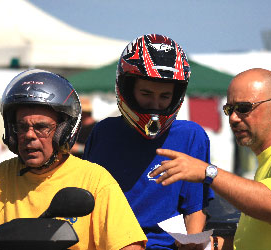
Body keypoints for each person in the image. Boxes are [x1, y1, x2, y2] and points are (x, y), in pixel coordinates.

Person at [150, 68, 271, 250]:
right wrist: (210, 245)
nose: (233, 118)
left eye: (243, 108)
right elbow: (263, 239)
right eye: (229, 109)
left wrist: (207, 172)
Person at [0, 69, 147, 250]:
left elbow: (130, 247)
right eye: (21, 127)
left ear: (64, 131)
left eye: (41, 127)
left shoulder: (95, 182)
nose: (29, 135)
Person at [83, 34, 214, 250]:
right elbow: (89, 204)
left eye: (164, 96)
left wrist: (193, 244)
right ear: (127, 89)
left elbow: (195, 209)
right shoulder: (104, 132)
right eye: (146, 93)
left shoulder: (191, 136)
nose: (155, 104)